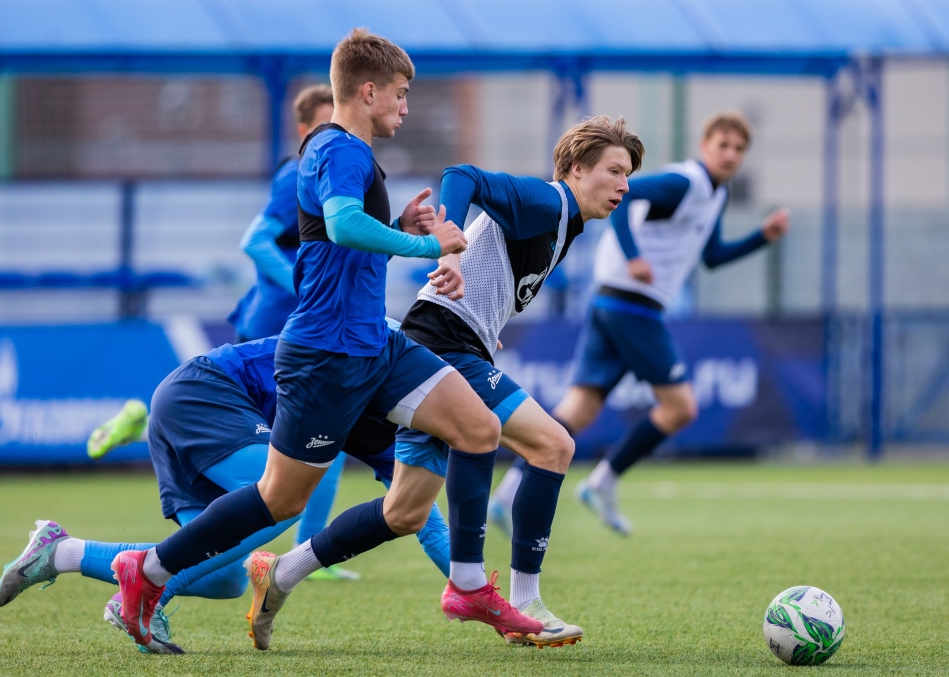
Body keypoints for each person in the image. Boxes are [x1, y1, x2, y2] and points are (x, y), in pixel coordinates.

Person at [109, 27, 541, 654]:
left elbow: (338, 239)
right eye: (400, 92)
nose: (406, 105)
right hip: (327, 356)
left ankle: (468, 584)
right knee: (279, 499)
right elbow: (339, 226)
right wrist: (426, 244)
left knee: (478, 428)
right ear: (368, 91)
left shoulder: (341, 152)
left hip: (375, 346)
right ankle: (146, 570)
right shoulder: (342, 150)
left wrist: (399, 227)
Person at [0, 334, 450, 655]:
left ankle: (62, 552)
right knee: (286, 497)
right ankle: (151, 584)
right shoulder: (381, 353)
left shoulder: (398, 423)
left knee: (228, 579)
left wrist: (478, 589)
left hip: (196, 412)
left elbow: (417, 514)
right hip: (205, 391)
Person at [385, 114, 643, 648]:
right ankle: (526, 603)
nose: (623, 185)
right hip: (442, 344)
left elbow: (492, 271)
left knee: (404, 510)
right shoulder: (549, 201)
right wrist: (448, 245)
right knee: (554, 445)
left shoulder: (564, 224)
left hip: (452, 341)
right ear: (576, 169)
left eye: (629, 175)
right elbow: (461, 176)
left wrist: (486, 323)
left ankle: (284, 571)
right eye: (614, 170)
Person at [86, 85, 357, 582]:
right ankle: (303, 554)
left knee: (318, 445)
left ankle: (301, 554)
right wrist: (306, 287)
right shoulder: (298, 172)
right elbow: (253, 240)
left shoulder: (338, 169)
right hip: (277, 324)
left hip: (296, 328)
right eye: (326, 121)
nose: (336, 129)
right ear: (304, 130)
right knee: (304, 452)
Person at [488, 111, 790, 537]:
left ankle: (505, 495)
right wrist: (633, 258)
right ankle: (602, 482)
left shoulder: (714, 196)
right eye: (722, 144)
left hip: (612, 301)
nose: (730, 154)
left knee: (580, 408)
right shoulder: (685, 183)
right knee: (681, 407)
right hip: (632, 305)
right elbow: (625, 196)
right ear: (704, 146)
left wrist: (763, 236)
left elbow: (712, 256)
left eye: (738, 148)